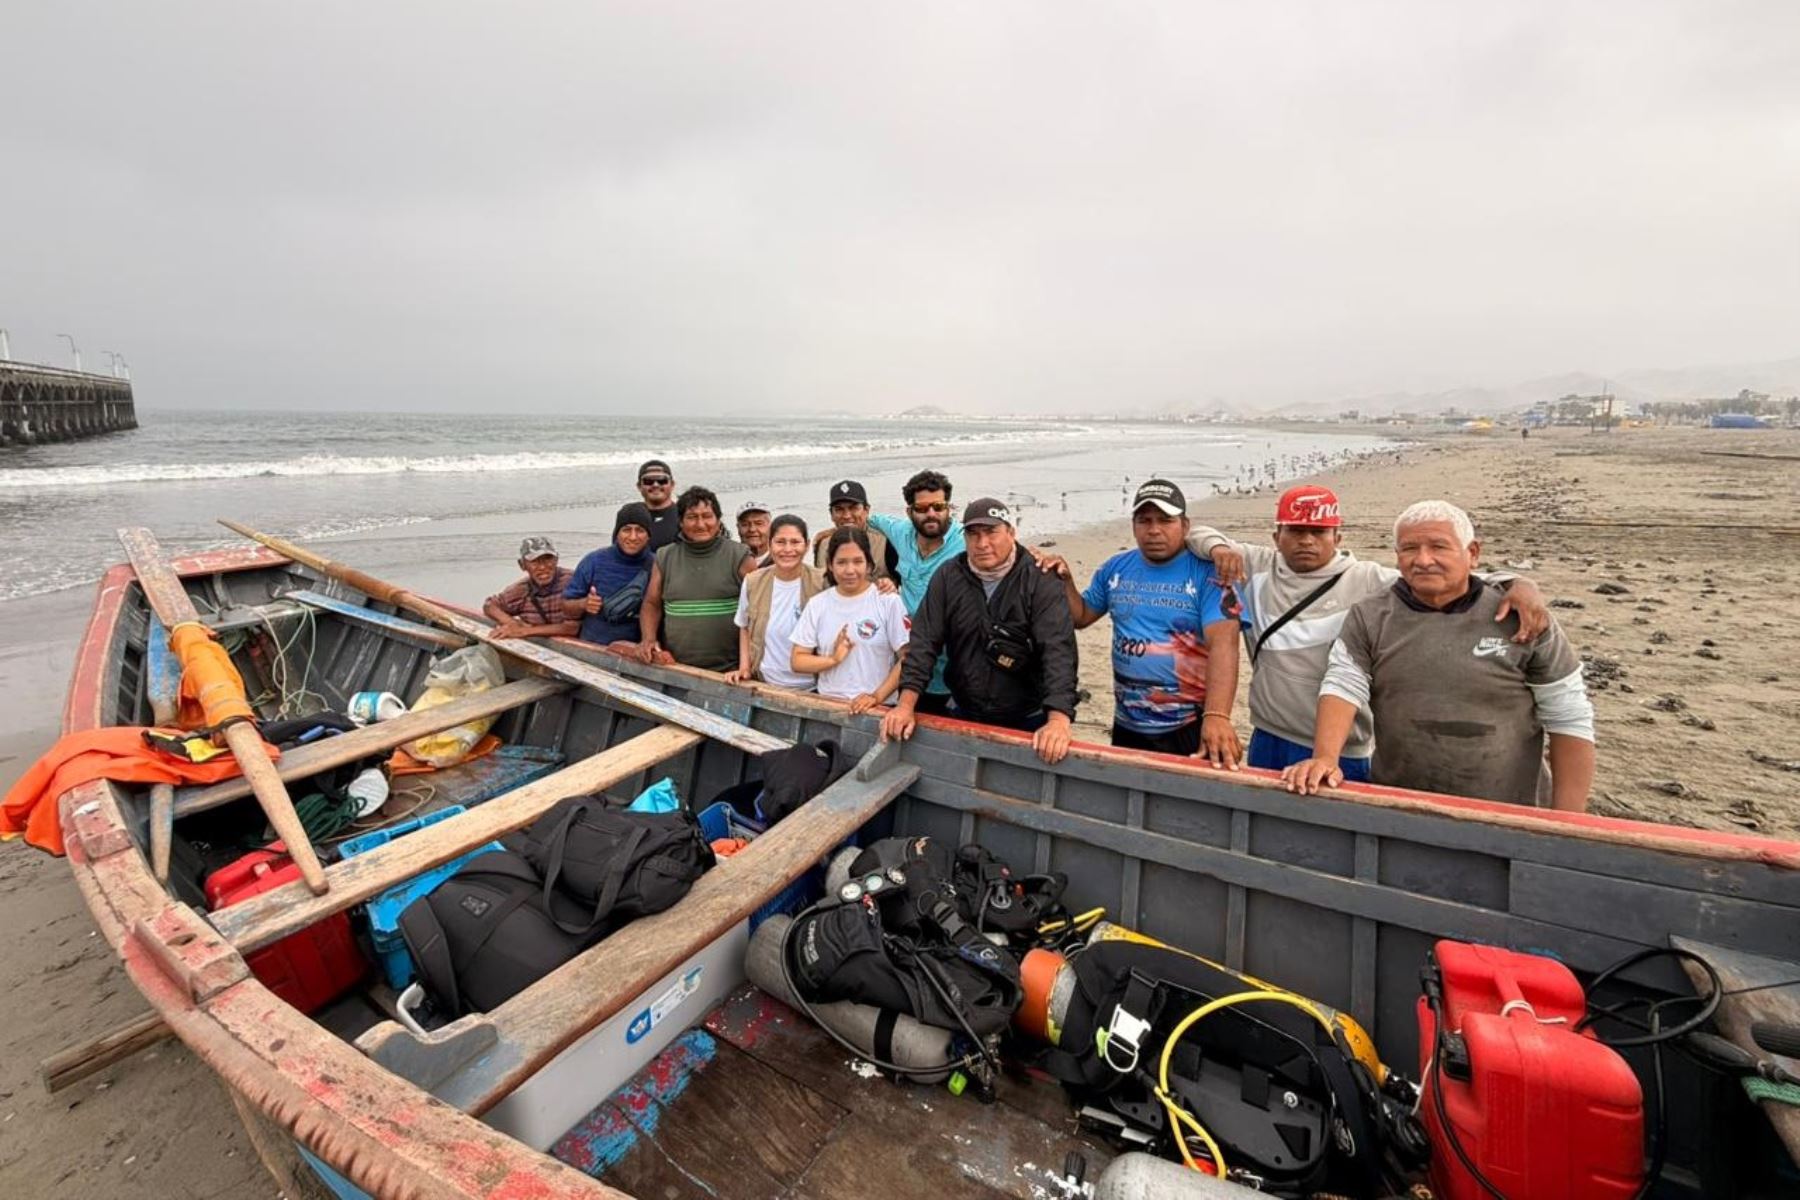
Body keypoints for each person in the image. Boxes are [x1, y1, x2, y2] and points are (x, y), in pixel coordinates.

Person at [1189, 484, 1549, 782]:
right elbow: (1195, 534)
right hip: (1267, 732)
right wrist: (1220, 548)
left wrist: (1517, 582)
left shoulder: (1367, 580)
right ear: (1277, 536)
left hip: (1342, 746)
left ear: (1337, 536)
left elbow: (1449, 578)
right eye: (1296, 531)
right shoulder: (1255, 566)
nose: (1307, 541)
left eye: (1319, 532)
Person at [1282, 500, 1594, 811]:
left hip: (1511, 808)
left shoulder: (1522, 617)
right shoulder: (1371, 615)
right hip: (1398, 802)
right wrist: (1325, 758)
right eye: (1409, 548)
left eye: (1439, 547)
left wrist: (1568, 819)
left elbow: (1568, 715)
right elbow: (1343, 684)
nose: (1423, 560)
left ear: (1472, 553)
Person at [1037, 480, 1242, 766]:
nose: (1154, 530)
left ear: (1185, 525)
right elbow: (1081, 616)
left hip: (1187, 723)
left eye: (1165, 520)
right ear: (1133, 526)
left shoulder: (1210, 575)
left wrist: (1217, 716)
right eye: (1144, 521)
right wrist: (1064, 580)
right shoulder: (1115, 568)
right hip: (1127, 721)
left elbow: (1225, 645)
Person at [881, 499, 1079, 763]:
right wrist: (905, 705)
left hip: (1028, 715)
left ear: (1011, 532)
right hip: (965, 708)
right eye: (973, 534)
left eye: (991, 532)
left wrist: (1058, 719)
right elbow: (923, 642)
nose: (982, 543)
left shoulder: (1040, 578)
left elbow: (1058, 649)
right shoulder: (948, 576)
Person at [866, 470, 965, 714]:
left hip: (955, 668)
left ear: (949, 508)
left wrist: (1044, 560)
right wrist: (832, 533)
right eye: (921, 508)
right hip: (910, 666)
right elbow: (867, 520)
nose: (931, 513)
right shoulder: (900, 531)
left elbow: (1003, 550)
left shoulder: (966, 541)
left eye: (938, 506)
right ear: (909, 511)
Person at [790, 527, 911, 713]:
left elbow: (907, 657)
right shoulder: (817, 604)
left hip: (877, 708)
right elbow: (798, 661)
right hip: (828, 706)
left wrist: (876, 697)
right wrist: (833, 659)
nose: (850, 570)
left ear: (869, 564)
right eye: (841, 562)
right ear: (830, 565)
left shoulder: (888, 601)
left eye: (857, 561)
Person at [638, 486, 756, 671]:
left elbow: (760, 609)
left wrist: (747, 665)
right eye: (692, 517)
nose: (700, 524)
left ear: (718, 520)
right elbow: (652, 604)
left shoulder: (739, 556)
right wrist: (648, 639)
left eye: (707, 516)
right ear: (680, 522)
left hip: (732, 670)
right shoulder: (665, 557)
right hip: (677, 668)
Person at [727, 514, 826, 689]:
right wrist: (744, 668)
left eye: (795, 542)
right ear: (770, 544)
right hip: (766, 683)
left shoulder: (822, 582)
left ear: (807, 545)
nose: (788, 549)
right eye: (780, 542)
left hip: (814, 686)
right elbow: (744, 626)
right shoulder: (753, 582)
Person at [562, 504, 656, 651]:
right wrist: (584, 604)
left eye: (640, 530)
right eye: (626, 530)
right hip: (594, 648)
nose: (633, 537)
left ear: (648, 535)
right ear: (616, 533)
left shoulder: (657, 565)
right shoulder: (594, 561)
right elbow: (566, 608)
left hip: (638, 652)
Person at [483, 537, 579, 640]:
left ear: (556, 560)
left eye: (548, 559)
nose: (542, 567)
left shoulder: (573, 581)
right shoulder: (521, 590)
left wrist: (523, 631)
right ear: (522, 565)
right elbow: (489, 606)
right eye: (534, 561)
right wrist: (512, 623)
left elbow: (573, 628)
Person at [811, 479, 900, 584]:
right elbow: (819, 584)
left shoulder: (885, 542)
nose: (847, 516)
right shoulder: (823, 544)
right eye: (839, 509)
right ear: (831, 514)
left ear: (866, 510)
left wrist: (890, 584)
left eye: (853, 508)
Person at [635, 459, 680, 550]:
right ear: (639, 486)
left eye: (662, 480)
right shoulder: (630, 516)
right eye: (648, 481)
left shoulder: (684, 515)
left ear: (672, 484)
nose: (655, 485)